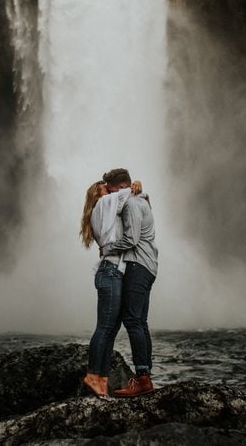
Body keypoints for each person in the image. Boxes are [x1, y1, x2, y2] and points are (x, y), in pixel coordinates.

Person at [100, 167, 158, 397]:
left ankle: (142, 379)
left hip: (138, 265)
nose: (112, 197)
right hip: (148, 266)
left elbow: (132, 239)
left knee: (132, 320)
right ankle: (145, 376)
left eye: (113, 192)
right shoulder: (140, 201)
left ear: (122, 188)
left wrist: (108, 248)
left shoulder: (132, 204)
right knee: (140, 322)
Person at [79, 175, 136, 397]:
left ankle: (101, 380)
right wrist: (137, 185)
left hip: (111, 272)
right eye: (106, 190)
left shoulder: (100, 209)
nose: (110, 192)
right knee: (105, 328)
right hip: (110, 272)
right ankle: (93, 374)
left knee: (110, 329)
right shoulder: (103, 204)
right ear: (98, 195)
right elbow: (128, 193)